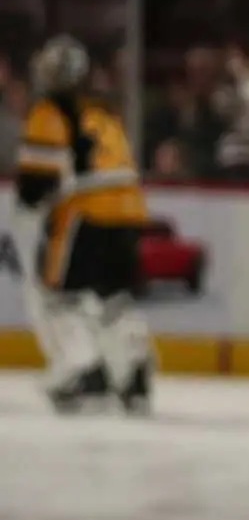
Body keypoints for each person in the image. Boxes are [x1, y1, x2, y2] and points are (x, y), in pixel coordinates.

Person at [13, 34, 155, 414]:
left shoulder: (50, 112)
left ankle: (83, 370)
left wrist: (30, 204)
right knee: (114, 296)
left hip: (86, 211)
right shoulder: (105, 112)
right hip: (130, 210)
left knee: (59, 296)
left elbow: (35, 184)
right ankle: (135, 370)